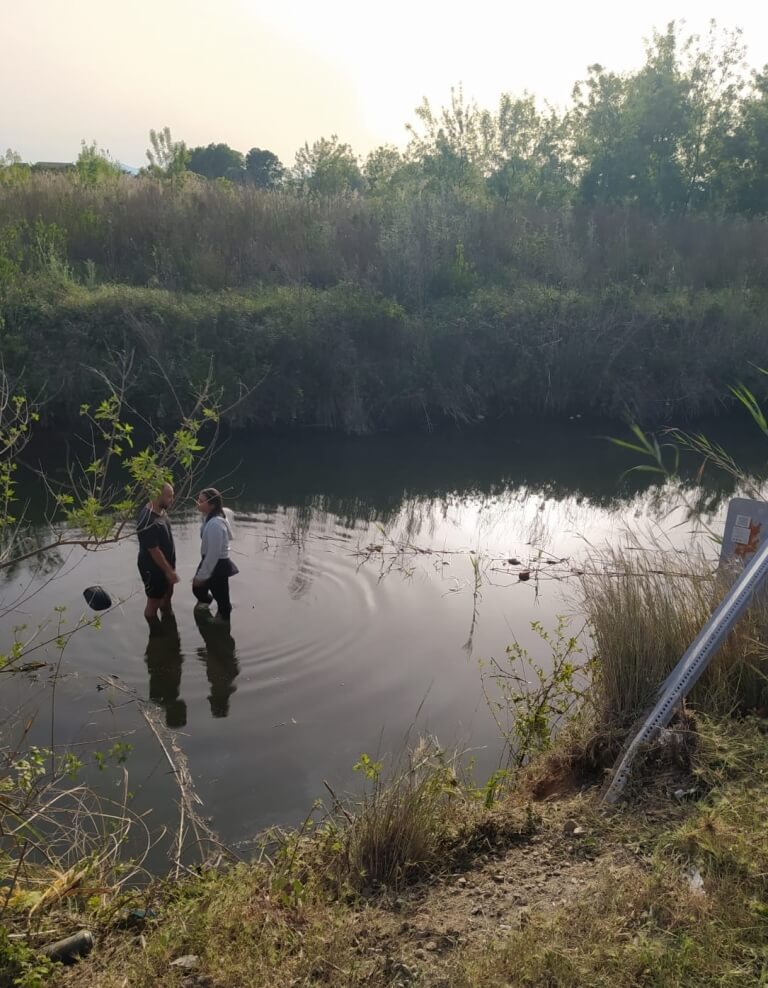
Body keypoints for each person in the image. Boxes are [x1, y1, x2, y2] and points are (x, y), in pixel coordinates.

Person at [136, 481, 179, 623]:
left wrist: (170, 569)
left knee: (167, 595)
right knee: (153, 602)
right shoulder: (147, 521)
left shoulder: (161, 510)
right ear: (157, 495)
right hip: (152, 568)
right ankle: (155, 633)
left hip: (167, 566)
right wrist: (169, 572)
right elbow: (154, 551)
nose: (172, 500)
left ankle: (168, 619)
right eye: (169, 496)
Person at [192, 488, 238, 621]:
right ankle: (207, 605)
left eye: (201, 501)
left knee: (222, 600)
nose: (197, 503)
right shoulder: (209, 516)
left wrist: (202, 575)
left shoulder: (215, 525)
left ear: (211, 505)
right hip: (209, 560)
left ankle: (223, 625)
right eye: (198, 499)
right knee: (198, 590)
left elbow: (214, 554)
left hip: (218, 564)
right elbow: (228, 513)